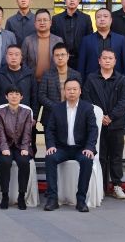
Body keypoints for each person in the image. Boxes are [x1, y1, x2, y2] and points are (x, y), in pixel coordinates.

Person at [43, 78, 98, 213]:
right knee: (50, 158)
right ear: (64, 92)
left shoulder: (87, 108)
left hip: (81, 148)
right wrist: (51, 145)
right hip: (62, 148)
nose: (72, 92)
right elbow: (50, 130)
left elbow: (93, 130)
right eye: (69, 89)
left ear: (80, 91)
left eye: (74, 89)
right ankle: (52, 199)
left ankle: (81, 200)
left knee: (87, 160)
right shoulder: (57, 108)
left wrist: (89, 148)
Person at [81, 49, 125, 200]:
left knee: (116, 156)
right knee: (100, 156)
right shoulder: (91, 79)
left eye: (110, 58)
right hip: (97, 125)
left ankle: (117, 186)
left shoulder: (121, 79)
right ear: (99, 61)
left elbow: (124, 101)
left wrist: (111, 116)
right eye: (104, 58)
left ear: (115, 61)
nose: (107, 60)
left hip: (116, 125)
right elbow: (86, 99)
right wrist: (100, 116)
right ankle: (100, 187)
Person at [0, 86, 35, 210]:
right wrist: (4, 147)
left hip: (21, 146)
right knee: (5, 162)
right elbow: (0, 132)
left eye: (17, 94)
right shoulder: (0, 112)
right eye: (11, 94)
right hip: (4, 145)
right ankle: (5, 195)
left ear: (21, 97)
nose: (14, 96)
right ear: (6, 96)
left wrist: (25, 147)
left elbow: (27, 132)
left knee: (24, 162)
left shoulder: (27, 112)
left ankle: (21, 196)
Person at [36, 43, 80, 125]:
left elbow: (80, 95)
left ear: (68, 56)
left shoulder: (76, 75)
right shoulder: (47, 74)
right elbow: (41, 95)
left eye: (63, 55)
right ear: (53, 57)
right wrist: (57, 107)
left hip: (71, 115)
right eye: (57, 55)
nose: (60, 58)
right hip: (51, 115)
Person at [78, 8, 125, 76]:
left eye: (105, 16)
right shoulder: (86, 40)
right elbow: (81, 64)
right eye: (98, 17)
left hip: (116, 80)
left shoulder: (121, 39)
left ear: (111, 20)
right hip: (92, 80)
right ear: (95, 20)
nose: (102, 19)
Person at [52, 0, 93, 66]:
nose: (72, 0)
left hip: (80, 59)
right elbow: (52, 39)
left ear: (79, 0)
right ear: (65, 0)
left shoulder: (86, 18)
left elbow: (89, 39)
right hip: (61, 59)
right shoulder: (56, 19)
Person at [0, 45, 36, 111]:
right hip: (3, 114)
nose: (13, 57)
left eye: (17, 55)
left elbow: (34, 97)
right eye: (10, 54)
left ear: (21, 57)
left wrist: (33, 115)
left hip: (24, 114)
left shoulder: (29, 75)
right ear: (6, 57)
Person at [21, 9, 64, 79]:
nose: (42, 22)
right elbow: (22, 61)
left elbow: (62, 61)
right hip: (32, 81)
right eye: (39, 20)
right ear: (35, 23)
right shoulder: (28, 40)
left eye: (45, 20)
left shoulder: (58, 40)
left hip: (53, 80)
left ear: (50, 23)